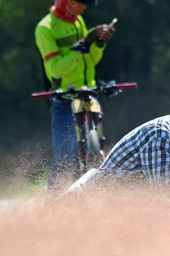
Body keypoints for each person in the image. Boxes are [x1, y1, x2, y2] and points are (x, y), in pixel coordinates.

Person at [35, 0, 115, 190]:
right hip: (65, 100)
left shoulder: (77, 20)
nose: (84, 6)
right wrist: (83, 45)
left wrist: (98, 43)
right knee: (65, 159)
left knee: (95, 155)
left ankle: (82, 205)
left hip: (88, 96)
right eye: (80, 2)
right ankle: (52, 207)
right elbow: (55, 70)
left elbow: (90, 61)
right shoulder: (45, 28)